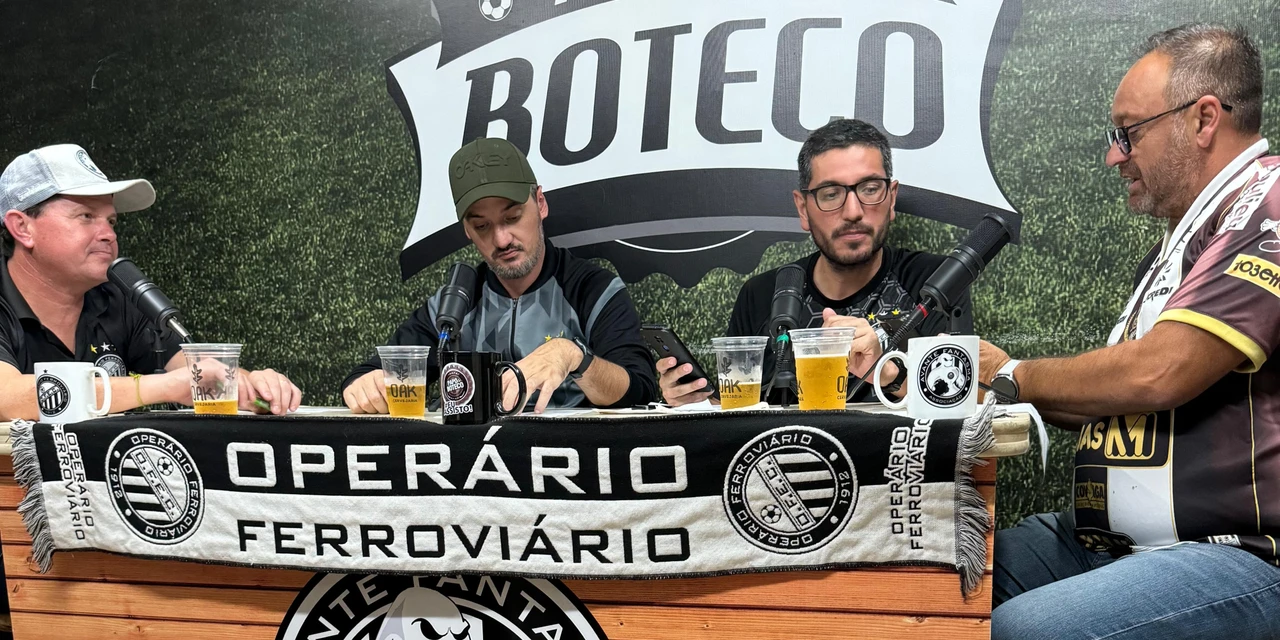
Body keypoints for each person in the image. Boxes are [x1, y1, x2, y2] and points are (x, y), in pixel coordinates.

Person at [979, 25, 1280, 640]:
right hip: (1108, 544)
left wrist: (1014, 375)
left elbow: (1159, 371)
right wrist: (1004, 382)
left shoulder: (1268, 204)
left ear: (1203, 119)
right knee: (936, 581)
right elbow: (1119, 397)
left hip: (1237, 552)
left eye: (1129, 132)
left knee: (1025, 631)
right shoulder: (1183, 240)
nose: (1114, 156)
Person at [658, 119, 973, 406]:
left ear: (891, 198)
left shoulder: (936, 283)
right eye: (831, 194)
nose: (853, 211)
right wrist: (694, 403)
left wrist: (888, 371)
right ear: (803, 209)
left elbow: (968, 396)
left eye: (869, 189)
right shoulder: (762, 295)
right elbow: (738, 415)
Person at [342, 137, 657, 414]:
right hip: (477, 460)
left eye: (513, 217)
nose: (502, 239)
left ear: (541, 204)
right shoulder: (454, 304)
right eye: (482, 226)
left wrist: (573, 357)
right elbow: (366, 377)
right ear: (467, 231)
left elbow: (640, 389)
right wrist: (365, 386)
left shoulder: (592, 290)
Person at [0, 144, 303, 419]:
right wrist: (162, 387)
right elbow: (8, 398)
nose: (109, 234)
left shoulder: (117, 300)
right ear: (22, 227)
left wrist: (255, 388)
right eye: (86, 216)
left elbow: (199, 376)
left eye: (111, 221)